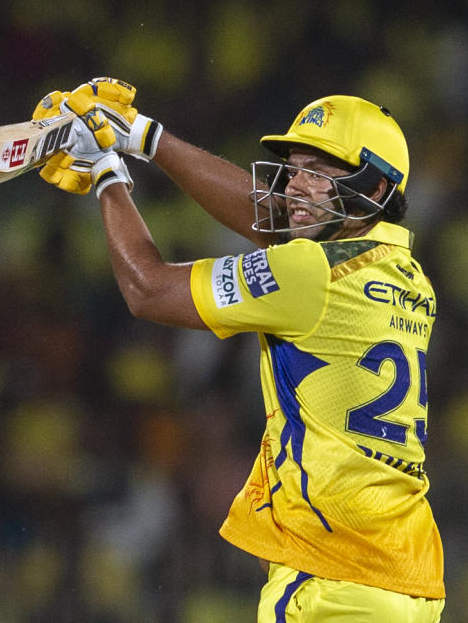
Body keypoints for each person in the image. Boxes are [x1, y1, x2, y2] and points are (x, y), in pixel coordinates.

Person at [32, 78, 445, 622]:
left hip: (333, 578)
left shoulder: (309, 273)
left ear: (375, 189)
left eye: (320, 173)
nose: (296, 186)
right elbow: (272, 226)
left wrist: (108, 175)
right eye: (294, 168)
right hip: (407, 580)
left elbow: (148, 289)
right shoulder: (411, 277)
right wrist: (143, 136)